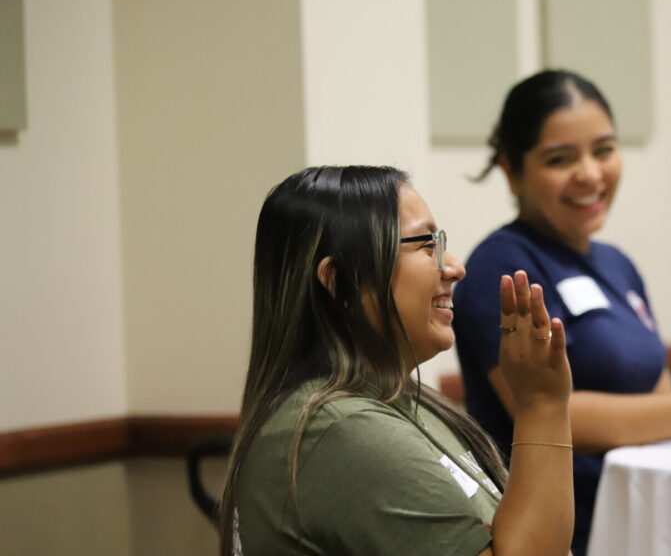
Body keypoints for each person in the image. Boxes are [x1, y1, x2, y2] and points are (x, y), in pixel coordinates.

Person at [452, 70, 671, 556]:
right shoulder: (501, 267)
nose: (590, 173)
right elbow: (539, 408)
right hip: (567, 529)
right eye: (560, 159)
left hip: (648, 518)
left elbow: (656, 395)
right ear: (512, 171)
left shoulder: (618, 265)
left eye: (604, 150)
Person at [219, 165, 575, 556]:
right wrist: (541, 403)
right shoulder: (343, 431)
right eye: (426, 245)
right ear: (340, 282)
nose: (455, 267)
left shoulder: (392, 403)